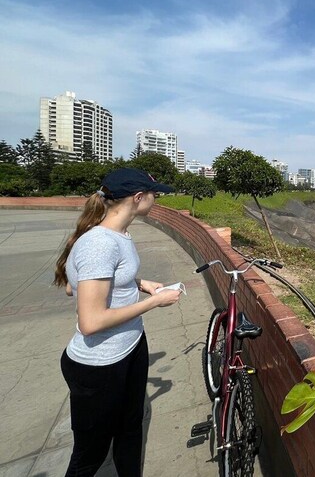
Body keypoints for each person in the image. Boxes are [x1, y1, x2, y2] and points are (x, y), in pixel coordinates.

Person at [53, 168, 179, 477]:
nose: (156, 200)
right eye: (154, 195)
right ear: (138, 198)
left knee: (129, 430)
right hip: (100, 366)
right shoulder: (100, 243)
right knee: (89, 456)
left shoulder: (118, 233)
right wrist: (153, 302)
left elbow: (83, 282)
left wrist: (140, 284)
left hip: (130, 348)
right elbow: (91, 321)